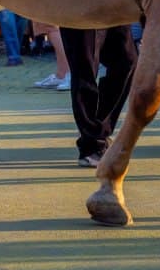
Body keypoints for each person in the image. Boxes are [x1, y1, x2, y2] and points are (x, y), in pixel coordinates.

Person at [58, 26, 137, 167]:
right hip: (80, 10)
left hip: (114, 8)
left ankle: (97, 132)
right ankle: (92, 144)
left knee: (127, 61)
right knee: (85, 69)